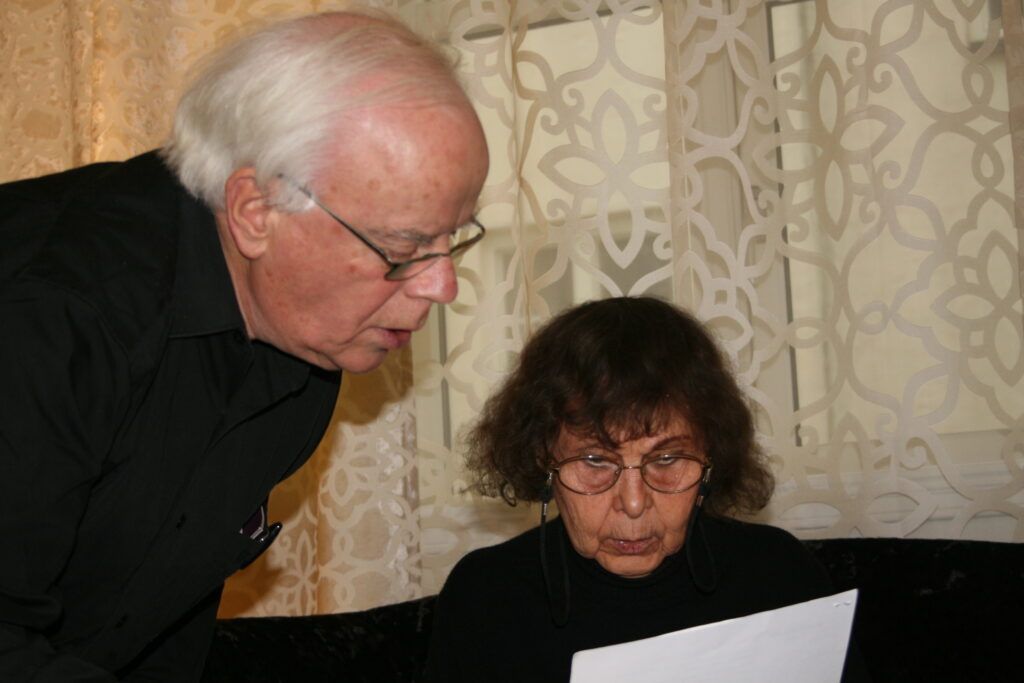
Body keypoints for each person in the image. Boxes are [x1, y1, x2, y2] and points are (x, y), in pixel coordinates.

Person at [0, 9, 488, 682]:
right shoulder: (56, 318)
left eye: (453, 238)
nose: (443, 285)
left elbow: (156, 613)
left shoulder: (308, 343)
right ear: (256, 211)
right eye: (404, 248)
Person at [425, 297, 869, 682]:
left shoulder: (777, 574)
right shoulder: (487, 597)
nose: (634, 504)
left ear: (712, 457)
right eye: (595, 461)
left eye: (668, 459)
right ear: (543, 457)